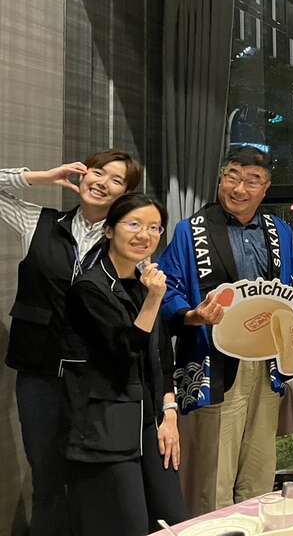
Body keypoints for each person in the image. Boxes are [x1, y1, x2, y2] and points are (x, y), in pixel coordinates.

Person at [0, 151, 140, 536]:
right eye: (98, 172)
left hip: (99, 382)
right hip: (40, 377)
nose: (102, 183)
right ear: (82, 174)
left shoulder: (127, 240)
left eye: (116, 180)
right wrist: (45, 176)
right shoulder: (39, 223)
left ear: (126, 195)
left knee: (93, 481)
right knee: (46, 478)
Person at [159, 146, 293, 514]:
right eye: (232, 177)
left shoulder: (279, 232)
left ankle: (255, 525)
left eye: (252, 181)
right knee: (214, 474)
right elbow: (167, 289)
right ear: (221, 178)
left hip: (266, 362)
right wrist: (193, 315)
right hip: (215, 360)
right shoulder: (191, 231)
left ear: (265, 188)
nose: (240, 188)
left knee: (259, 466)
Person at [63, 194, 188, 535]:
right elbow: (123, 353)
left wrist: (170, 414)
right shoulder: (88, 288)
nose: (144, 235)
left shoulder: (144, 285)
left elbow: (161, 356)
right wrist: (154, 299)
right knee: (127, 524)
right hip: (106, 426)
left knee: (174, 520)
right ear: (108, 230)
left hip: (150, 420)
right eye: (134, 224)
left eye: (154, 228)